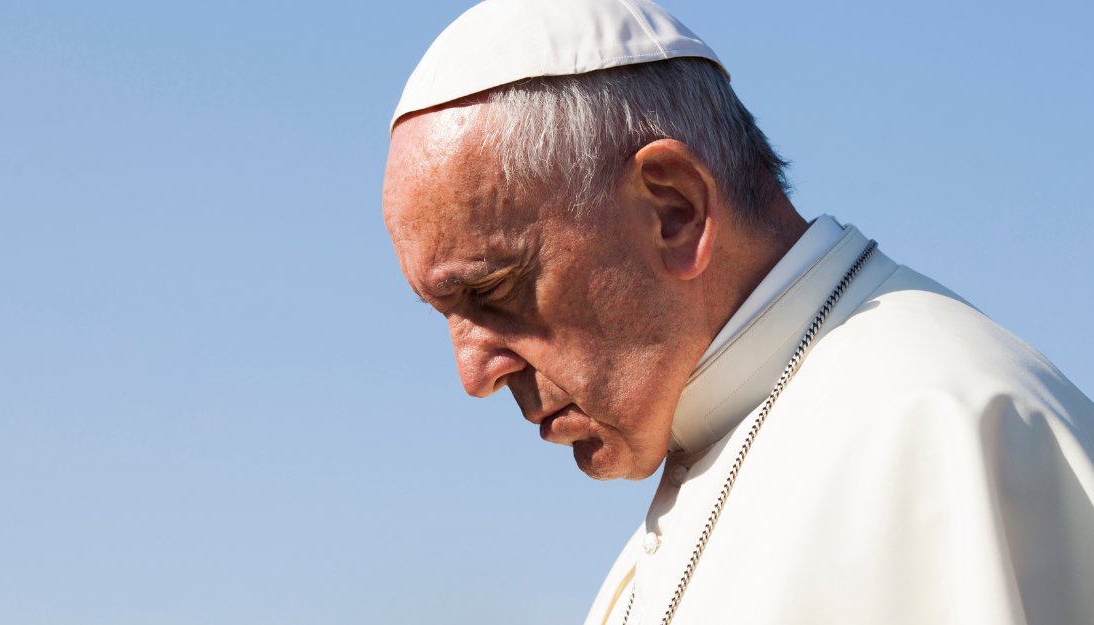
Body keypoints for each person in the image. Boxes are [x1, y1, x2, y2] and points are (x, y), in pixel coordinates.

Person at [380, 0, 1094, 623]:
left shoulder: (940, 434)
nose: (473, 373)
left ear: (673, 209)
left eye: (494, 290)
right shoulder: (655, 541)